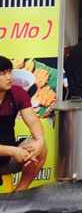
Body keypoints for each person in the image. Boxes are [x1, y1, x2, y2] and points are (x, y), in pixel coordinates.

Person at [0, 55, 48, 191]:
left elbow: (33, 121)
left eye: (10, 71)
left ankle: (18, 194)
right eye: (3, 73)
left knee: (40, 147)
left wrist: (40, 140)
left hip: (7, 159)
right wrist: (12, 150)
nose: (9, 77)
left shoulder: (17, 93)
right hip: (10, 152)